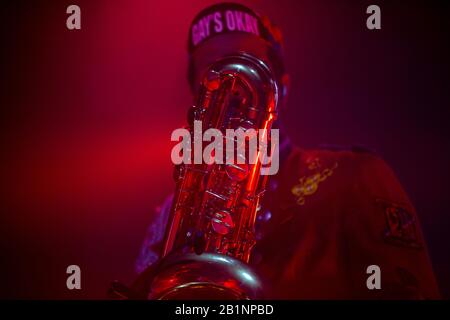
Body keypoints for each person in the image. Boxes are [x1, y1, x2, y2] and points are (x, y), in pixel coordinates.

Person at [134, 2, 440, 299]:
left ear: (283, 88)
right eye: (212, 69)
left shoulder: (356, 175)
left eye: (248, 61)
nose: (230, 82)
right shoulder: (169, 219)